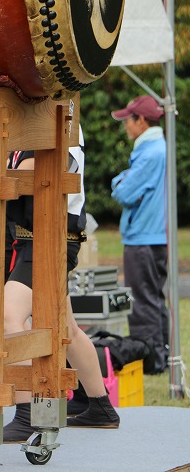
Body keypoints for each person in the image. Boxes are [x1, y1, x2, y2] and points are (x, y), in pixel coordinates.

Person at [1, 136, 120, 443]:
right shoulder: (31, 130)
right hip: (40, 237)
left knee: (8, 315)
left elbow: (28, 175)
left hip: (50, 238)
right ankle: (99, 405)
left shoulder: (53, 124)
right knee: (67, 328)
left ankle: (29, 414)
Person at [110, 95, 169, 374]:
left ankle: (152, 362)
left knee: (142, 299)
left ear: (142, 121)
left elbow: (123, 191)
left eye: (128, 120)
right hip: (155, 235)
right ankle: (161, 356)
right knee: (154, 298)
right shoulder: (159, 148)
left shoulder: (150, 152)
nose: (125, 126)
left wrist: (119, 179)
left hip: (142, 237)